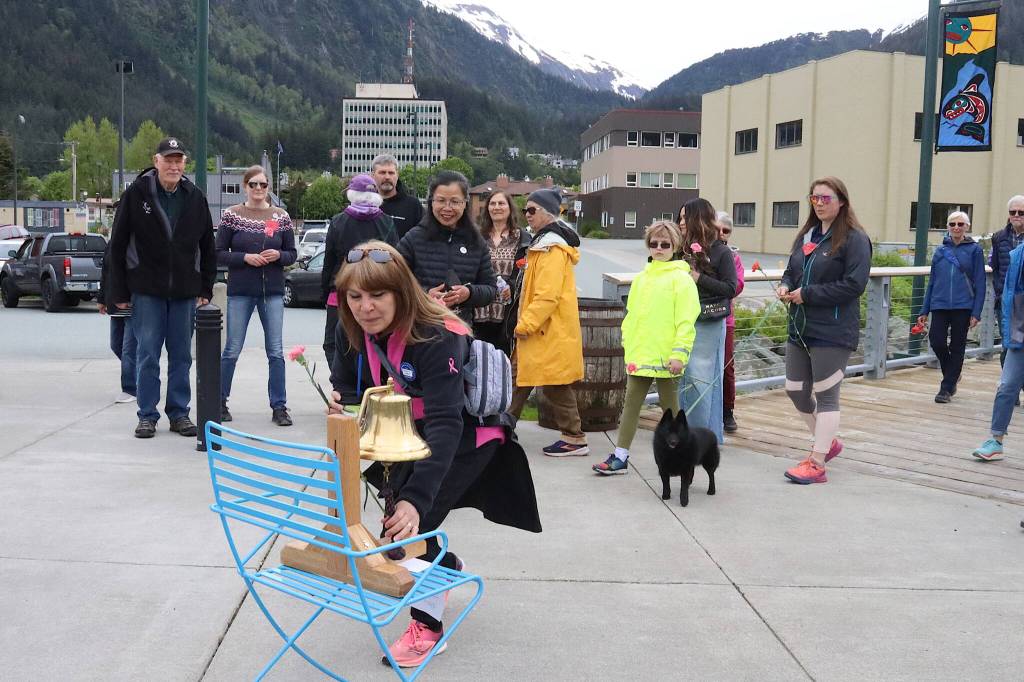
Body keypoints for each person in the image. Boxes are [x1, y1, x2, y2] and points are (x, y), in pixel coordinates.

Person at [326, 240, 541, 667]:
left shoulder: (436, 336)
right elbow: (354, 383)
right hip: (411, 434)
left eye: (377, 295)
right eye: (355, 297)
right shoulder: (355, 326)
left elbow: (447, 422)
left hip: (467, 437)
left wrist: (415, 499)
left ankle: (429, 629)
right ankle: (447, 568)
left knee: (406, 532)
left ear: (401, 292)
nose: (365, 307)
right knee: (395, 534)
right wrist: (343, 401)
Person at [108, 137, 215, 439]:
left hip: (184, 292)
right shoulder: (136, 194)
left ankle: (179, 414)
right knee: (148, 355)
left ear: (184, 164)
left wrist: (205, 286)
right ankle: (147, 415)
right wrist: (119, 293)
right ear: (156, 162)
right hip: (146, 290)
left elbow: (208, 246)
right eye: (168, 159)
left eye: (178, 160)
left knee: (181, 356)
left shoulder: (195, 197)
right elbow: (117, 246)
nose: (173, 165)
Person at [778, 176, 871, 484]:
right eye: (814, 198)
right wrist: (786, 285)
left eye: (825, 198)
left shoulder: (855, 239)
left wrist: (809, 294)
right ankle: (827, 442)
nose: (818, 203)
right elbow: (793, 269)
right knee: (794, 390)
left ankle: (817, 462)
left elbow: (854, 285)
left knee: (827, 394)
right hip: (800, 326)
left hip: (832, 330)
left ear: (841, 201)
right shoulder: (808, 234)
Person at [593, 220, 699, 474]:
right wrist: (628, 344)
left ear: (675, 245)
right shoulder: (641, 279)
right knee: (630, 404)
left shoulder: (681, 280)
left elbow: (687, 321)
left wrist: (679, 354)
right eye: (654, 243)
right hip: (640, 356)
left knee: (671, 413)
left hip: (667, 358)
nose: (659, 248)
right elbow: (632, 317)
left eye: (665, 244)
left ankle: (684, 457)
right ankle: (620, 456)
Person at [508, 188, 589, 456]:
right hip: (543, 330)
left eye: (531, 210)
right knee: (523, 379)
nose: (526, 215)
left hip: (543, 330)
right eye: (525, 210)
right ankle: (504, 429)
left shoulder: (551, 248)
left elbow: (547, 295)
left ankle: (573, 437)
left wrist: (525, 325)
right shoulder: (545, 244)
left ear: (547, 213)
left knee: (548, 382)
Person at [216, 165, 297, 426]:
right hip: (240, 291)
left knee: (275, 351)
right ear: (245, 187)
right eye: (254, 184)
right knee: (232, 349)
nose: (259, 189)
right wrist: (244, 258)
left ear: (269, 188)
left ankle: (279, 406)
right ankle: (219, 401)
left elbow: (292, 254)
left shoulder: (280, 216)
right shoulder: (231, 215)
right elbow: (218, 253)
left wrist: (279, 256)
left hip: (271, 292)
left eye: (263, 185)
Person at [397, 171, 497, 326]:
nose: (447, 208)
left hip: (460, 330)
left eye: (455, 202)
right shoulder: (414, 238)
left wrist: (468, 293)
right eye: (441, 200)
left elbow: (490, 289)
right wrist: (425, 295)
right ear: (431, 202)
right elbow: (394, 281)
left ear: (465, 204)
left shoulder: (476, 241)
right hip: (419, 328)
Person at [676, 198, 737, 445]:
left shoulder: (721, 251)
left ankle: (704, 434)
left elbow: (730, 288)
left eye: (684, 217)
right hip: (683, 320)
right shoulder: (681, 249)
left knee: (702, 378)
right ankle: (686, 431)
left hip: (708, 323)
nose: (680, 223)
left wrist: (696, 277)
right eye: (679, 218)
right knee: (684, 377)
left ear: (698, 219)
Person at [321, 174, 399, 365]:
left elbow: (329, 262)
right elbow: (395, 260)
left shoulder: (338, 221)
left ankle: (340, 382)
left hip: (340, 291)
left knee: (333, 343)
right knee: (373, 342)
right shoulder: (387, 222)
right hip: (377, 291)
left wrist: (325, 293)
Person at [916, 211, 985, 404]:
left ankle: (946, 389)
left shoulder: (975, 250)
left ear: (967, 227)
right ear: (947, 227)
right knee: (936, 341)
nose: (956, 227)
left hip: (964, 305)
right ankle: (952, 375)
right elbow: (932, 282)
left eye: (960, 224)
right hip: (939, 303)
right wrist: (924, 310)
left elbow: (980, 283)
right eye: (952, 224)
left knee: (957, 346)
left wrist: (976, 312)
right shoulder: (940, 251)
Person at [972, 237, 1024, 462]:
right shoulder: (1018, 254)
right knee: (1006, 386)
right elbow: (1010, 295)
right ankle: (995, 441)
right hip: (1019, 333)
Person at [473, 189, 531, 354]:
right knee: (479, 360)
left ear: (509, 208)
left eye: (501, 203)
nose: (496, 207)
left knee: (504, 361)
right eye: (492, 203)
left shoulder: (522, 238)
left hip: (507, 312)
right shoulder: (477, 236)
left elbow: (526, 272)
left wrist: (511, 287)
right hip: (480, 309)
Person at [988, 195, 1024, 388]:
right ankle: (1010, 387)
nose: (1017, 215)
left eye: (1021, 212)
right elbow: (994, 268)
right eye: (1013, 212)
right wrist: (999, 293)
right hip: (1006, 301)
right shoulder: (999, 238)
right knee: (1007, 345)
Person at [99, 234, 138, 404]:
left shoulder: (137, 241)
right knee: (116, 345)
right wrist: (102, 299)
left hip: (134, 303)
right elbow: (106, 272)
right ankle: (142, 374)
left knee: (129, 349)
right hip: (115, 303)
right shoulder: (113, 241)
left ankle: (130, 389)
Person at [717, 211, 745, 433]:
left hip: (725, 319)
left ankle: (728, 411)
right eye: (717, 228)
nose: (721, 234)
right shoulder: (700, 252)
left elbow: (736, 286)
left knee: (727, 367)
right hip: (702, 318)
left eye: (726, 230)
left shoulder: (733, 257)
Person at [371, 153, 423, 237]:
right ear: (373, 175)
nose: (387, 177)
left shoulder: (413, 205)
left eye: (391, 173)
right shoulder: (366, 205)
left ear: (397, 175)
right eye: (382, 172)